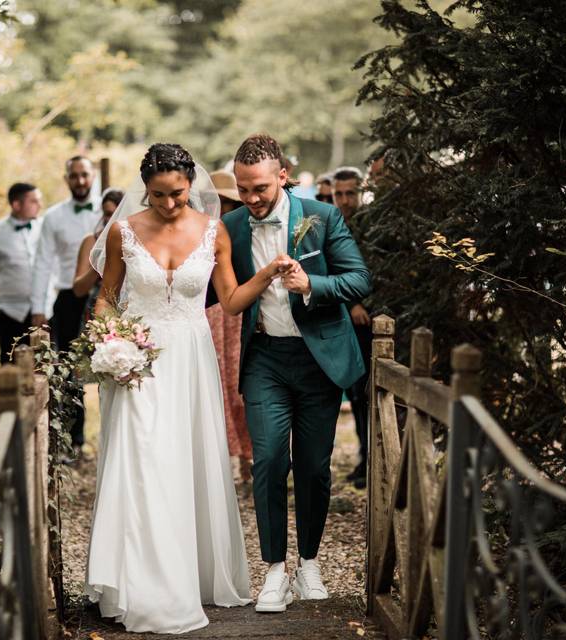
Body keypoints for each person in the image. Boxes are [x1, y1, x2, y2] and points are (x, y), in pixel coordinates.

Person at [85, 143, 296, 634]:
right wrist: (110, 346)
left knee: (183, 460)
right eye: (158, 196)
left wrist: (266, 274)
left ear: (190, 185)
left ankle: (190, 572)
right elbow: (106, 300)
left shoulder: (213, 230)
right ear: (145, 190)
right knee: (142, 461)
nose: (170, 204)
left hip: (191, 358)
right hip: (136, 362)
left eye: (178, 194)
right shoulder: (123, 232)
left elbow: (230, 299)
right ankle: (141, 583)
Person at [219, 134, 370, 612]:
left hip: (317, 360)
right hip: (264, 357)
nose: (252, 199)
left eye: (260, 188)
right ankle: (275, 572)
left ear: (283, 176)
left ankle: (308, 563)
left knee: (313, 468)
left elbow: (359, 278)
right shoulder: (232, 225)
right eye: (244, 189)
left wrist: (313, 284)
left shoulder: (321, 218)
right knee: (267, 462)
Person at [31, 156, 101, 455]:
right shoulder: (53, 217)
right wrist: (38, 308)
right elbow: (42, 264)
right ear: (67, 179)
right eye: (74, 176)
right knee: (69, 371)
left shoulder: (109, 208)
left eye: (85, 175)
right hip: (68, 299)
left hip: (106, 292)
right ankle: (74, 441)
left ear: (93, 175)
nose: (80, 181)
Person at [207, 170, 253, 489]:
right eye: (220, 201)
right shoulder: (200, 231)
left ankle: (251, 458)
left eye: (229, 202)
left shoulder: (245, 228)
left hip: (240, 312)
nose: (224, 207)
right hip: (211, 314)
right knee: (219, 386)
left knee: (241, 388)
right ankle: (227, 459)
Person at [0, 183, 47, 364]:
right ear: (16, 205)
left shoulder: (45, 228)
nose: (40, 205)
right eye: (33, 201)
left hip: (43, 312)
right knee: (10, 367)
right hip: (8, 312)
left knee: (45, 369)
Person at [332, 166, 373, 489]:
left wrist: (363, 305)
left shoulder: (373, 226)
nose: (345, 200)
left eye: (350, 193)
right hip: (346, 319)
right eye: (339, 194)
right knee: (356, 392)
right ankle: (365, 457)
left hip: (374, 320)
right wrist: (350, 304)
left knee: (371, 392)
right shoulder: (330, 223)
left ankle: (375, 458)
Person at [72, 187, 125, 319]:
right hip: (97, 309)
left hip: (129, 310)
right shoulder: (91, 241)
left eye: (116, 214)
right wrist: (99, 260)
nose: (111, 220)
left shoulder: (136, 241)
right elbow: (78, 290)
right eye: (107, 214)